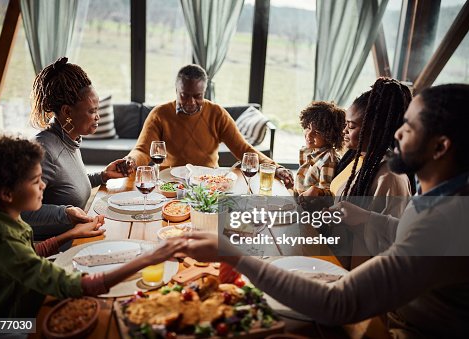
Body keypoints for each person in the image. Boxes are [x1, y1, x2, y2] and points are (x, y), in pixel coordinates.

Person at [183, 84, 469, 338]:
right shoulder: (447, 199)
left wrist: (231, 253)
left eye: (408, 127)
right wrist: (369, 218)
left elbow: (338, 304)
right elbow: (409, 237)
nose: (396, 133)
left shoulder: (445, 223)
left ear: (440, 146)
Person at [0, 135, 186, 317]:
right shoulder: (0, 237)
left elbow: (27, 255)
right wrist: (147, 259)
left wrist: (73, 233)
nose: (43, 186)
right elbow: (76, 285)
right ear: (7, 194)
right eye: (36, 181)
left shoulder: (0, 216)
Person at [123, 64, 294, 188]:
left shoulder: (217, 113)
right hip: (170, 183)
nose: (191, 102)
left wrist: (275, 167)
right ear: (176, 90)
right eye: (184, 95)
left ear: (205, 92)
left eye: (198, 96)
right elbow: (143, 150)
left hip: (209, 183)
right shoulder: (159, 114)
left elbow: (243, 149)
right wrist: (130, 160)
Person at [23, 57, 129, 240]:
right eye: (92, 111)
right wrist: (65, 213)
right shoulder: (44, 150)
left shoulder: (69, 139)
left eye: (97, 109)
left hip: (75, 235)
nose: (97, 117)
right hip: (50, 247)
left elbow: (63, 186)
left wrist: (102, 176)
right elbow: (22, 212)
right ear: (67, 112)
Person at [304, 78, 412, 216]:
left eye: (351, 126)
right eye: (345, 124)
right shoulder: (356, 158)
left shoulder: (391, 178)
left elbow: (393, 233)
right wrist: (323, 199)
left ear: (375, 129)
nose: (344, 131)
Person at [294, 101, 345, 197]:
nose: (309, 135)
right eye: (308, 128)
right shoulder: (310, 151)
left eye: (317, 132)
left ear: (330, 135)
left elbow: (325, 194)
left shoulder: (328, 161)